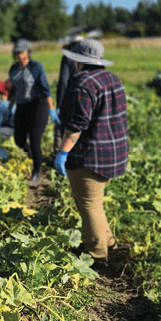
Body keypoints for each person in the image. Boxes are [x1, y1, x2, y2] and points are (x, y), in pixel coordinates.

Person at [53, 39, 128, 269]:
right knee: (95, 203)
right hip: (114, 152)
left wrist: (62, 153)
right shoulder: (113, 79)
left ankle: (97, 256)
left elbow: (77, 125)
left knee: (88, 205)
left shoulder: (83, 84)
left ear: (78, 61)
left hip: (91, 155)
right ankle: (110, 245)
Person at [8, 39, 60, 187]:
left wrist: (51, 109)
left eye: (23, 52)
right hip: (22, 106)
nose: (20, 56)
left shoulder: (35, 67)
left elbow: (45, 89)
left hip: (39, 105)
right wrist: (9, 106)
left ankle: (36, 173)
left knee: (35, 138)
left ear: (28, 52)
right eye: (17, 53)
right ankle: (36, 154)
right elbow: (13, 90)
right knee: (19, 139)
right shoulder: (13, 69)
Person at [53, 38, 82, 151]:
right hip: (84, 98)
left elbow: (63, 82)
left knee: (63, 129)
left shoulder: (68, 58)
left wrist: (59, 104)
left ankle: (60, 154)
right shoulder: (88, 59)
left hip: (69, 99)